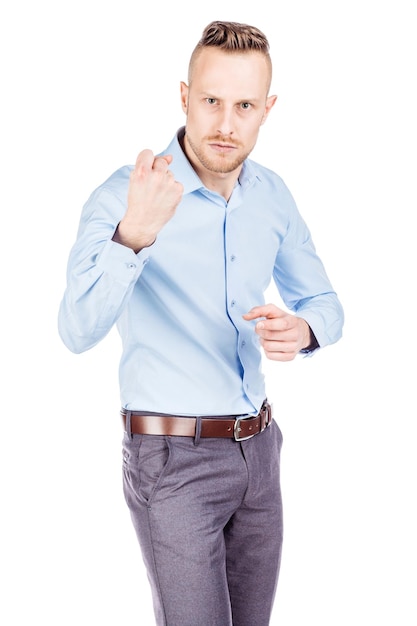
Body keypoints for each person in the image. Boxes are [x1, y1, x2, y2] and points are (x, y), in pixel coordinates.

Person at [58, 20, 344, 626]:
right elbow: (76, 328)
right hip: (173, 460)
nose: (225, 124)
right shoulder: (126, 196)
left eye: (244, 106)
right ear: (183, 95)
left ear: (267, 109)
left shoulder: (272, 195)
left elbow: (324, 301)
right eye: (211, 101)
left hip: (261, 452)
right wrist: (134, 235)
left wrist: (305, 330)